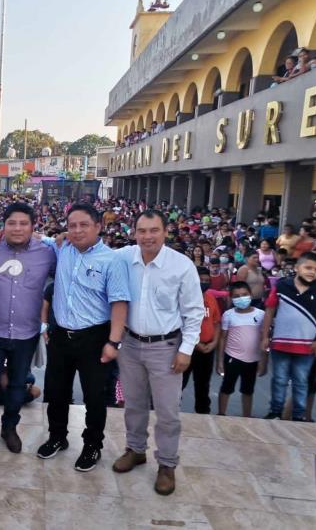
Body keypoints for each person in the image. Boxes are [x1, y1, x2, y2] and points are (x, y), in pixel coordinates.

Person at [113, 210, 204, 496]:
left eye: (153, 230)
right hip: (129, 344)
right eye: (142, 231)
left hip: (165, 348)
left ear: (165, 232)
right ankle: (136, 449)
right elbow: (93, 251)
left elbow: (194, 312)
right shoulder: (125, 257)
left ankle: (166, 464)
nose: (147, 236)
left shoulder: (181, 266)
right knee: (134, 405)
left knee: (167, 412)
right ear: (134, 232)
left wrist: (186, 350)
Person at [37, 204, 129, 472]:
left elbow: (119, 303)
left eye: (83, 225)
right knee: (56, 391)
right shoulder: (62, 248)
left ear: (98, 226)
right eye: (72, 225)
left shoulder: (112, 260)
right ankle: (57, 437)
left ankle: (92, 445)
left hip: (95, 338)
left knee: (95, 396)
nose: (77, 230)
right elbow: (35, 236)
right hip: (61, 337)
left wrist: (113, 343)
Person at [0, 202, 55, 458]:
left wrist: (52, 238)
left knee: (18, 385)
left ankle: (10, 428)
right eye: (12, 223)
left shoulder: (47, 253)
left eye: (23, 223)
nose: (17, 229)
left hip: (26, 333)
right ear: (3, 225)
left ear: (32, 227)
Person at [262, 251, 316, 420]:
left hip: (307, 346)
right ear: (297, 268)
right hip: (281, 342)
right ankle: (275, 411)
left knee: (301, 381)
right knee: (279, 379)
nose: (312, 272)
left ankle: (298, 415)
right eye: (308, 267)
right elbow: (269, 311)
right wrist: (265, 336)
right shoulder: (282, 286)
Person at [217, 282, 265, 417]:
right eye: (236, 296)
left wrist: (263, 360)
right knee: (227, 387)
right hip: (232, 357)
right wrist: (220, 361)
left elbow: (264, 339)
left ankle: (247, 416)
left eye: (244, 295)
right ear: (231, 298)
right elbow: (222, 338)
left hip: (253, 359)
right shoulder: (228, 315)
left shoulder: (261, 315)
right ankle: (221, 414)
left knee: (248, 390)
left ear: (251, 294)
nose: (241, 298)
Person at [181, 267, 221, 415]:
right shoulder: (185, 298)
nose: (203, 283)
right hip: (188, 348)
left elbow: (216, 322)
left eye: (206, 280)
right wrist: (195, 343)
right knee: (180, 382)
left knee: (203, 385)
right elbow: (180, 323)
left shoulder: (211, 299)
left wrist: (214, 342)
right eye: (200, 280)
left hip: (207, 348)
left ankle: (203, 413)